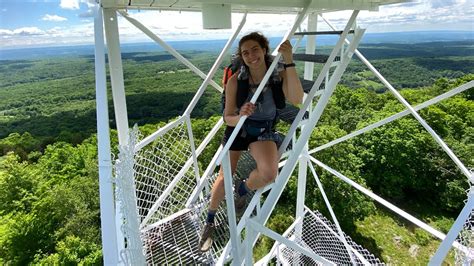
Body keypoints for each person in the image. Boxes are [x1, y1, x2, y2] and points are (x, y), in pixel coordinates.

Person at [199, 32, 304, 252]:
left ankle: (243, 189)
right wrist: (241, 116)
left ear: (264, 49)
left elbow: (296, 99)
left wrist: (289, 61)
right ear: (241, 56)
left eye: (255, 49)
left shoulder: (278, 74)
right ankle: (210, 221)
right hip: (239, 127)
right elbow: (227, 117)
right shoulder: (236, 80)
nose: (251, 55)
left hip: (262, 130)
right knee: (224, 173)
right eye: (245, 52)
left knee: (268, 174)